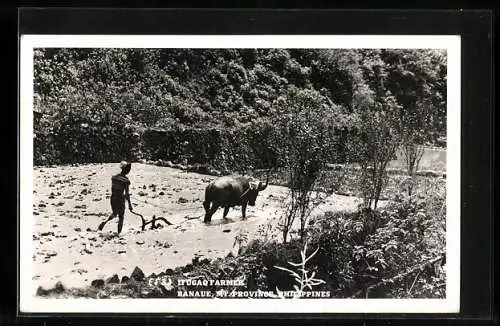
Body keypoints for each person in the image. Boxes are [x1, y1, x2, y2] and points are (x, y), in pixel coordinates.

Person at [98, 161, 133, 234]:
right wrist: (130, 204)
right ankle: (119, 233)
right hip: (120, 199)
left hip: (113, 198)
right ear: (126, 170)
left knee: (114, 213)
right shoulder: (126, 180)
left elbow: (114, 189)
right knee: (121, 216)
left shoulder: (114, 178)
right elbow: (126, 194)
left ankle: (105, 221)